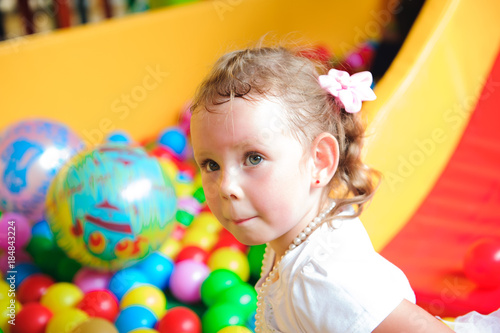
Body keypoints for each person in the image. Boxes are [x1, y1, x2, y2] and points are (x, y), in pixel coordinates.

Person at [189, 45, 453, 333]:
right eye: (211, 165)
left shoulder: (324, 278)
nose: (226, 186)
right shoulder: (292, 242)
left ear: (320, 161)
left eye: (254, 158)